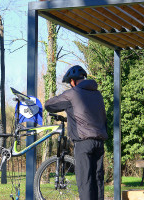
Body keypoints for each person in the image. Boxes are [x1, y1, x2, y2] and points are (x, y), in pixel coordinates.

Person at [45, 65, 108, 200]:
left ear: (73, 81)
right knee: (97, 181)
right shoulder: (98, 94)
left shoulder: (73, 94)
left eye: (69, 83)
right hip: (99, 143)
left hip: (83, 143)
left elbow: (49, 105)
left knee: (85, 182)